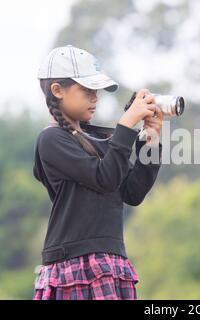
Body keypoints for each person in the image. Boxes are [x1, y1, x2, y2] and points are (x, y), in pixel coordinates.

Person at [32, 45, 163, 300]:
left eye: (96, 91)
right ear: (57, 91)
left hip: (111, 262)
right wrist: (126, 123)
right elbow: (104, 178)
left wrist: (152, 137)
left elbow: (133, 192)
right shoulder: (51, 139)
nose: (95, 97)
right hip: (75, 265)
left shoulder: (100, 139)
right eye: (86, 90)